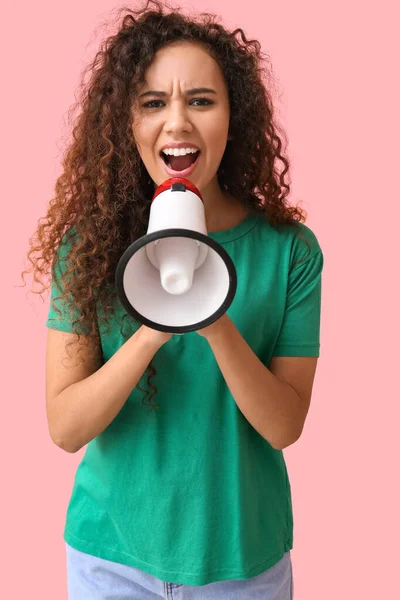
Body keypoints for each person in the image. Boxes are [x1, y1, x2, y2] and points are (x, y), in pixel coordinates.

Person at [24, 1, 324, 597]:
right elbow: (66, 427)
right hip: (109, 562)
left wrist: (214, 321)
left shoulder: (290, 251)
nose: (178, 122)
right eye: (153, 102)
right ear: (127, 124)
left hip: (244, 565)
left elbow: (285, 426)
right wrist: (154, 326)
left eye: (201, 100)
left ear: (232, 118)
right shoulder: (86, 248)